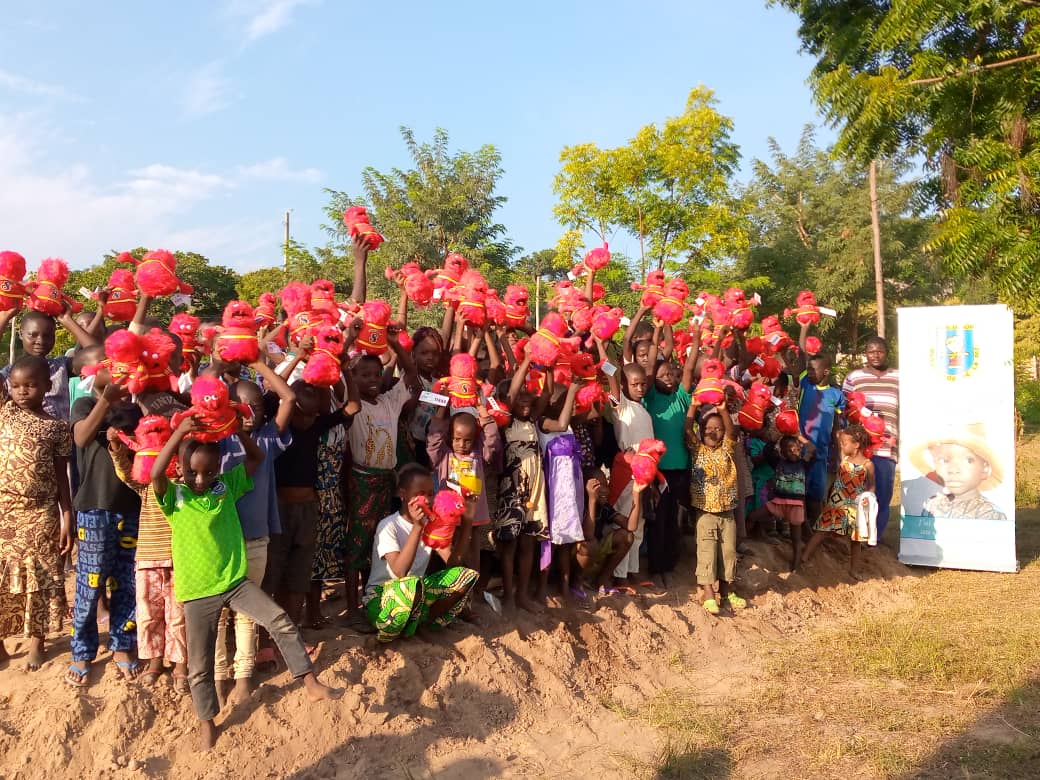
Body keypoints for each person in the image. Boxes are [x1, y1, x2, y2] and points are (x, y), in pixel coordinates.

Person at [151, 414, 342, 750]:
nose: (201, 478)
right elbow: (155, 475)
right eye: (193, 471)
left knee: (280, 620)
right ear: (180, 468)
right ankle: (206, 721)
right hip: (197, 592)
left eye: (209, 471)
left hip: (234, 582)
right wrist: (179, 432)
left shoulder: (226, 486)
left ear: (218, 469)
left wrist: (238, 430)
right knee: (200, 664)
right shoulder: (175, 497)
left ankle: (309, 682)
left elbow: (257, 458)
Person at [216, 359, 296, 705]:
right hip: (217, 541)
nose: (249, 412)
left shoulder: (266, 439)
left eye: (257, 406)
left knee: (248, 613)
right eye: (241, 406)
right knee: (217, 614)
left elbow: (289, 398)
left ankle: (244, 676)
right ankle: (219, 677)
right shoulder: (216, 441)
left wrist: (259, 362)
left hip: (255, 539)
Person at [67, 363, 143, 687]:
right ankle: (83, 649)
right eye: (108, 365)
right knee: (90, 582)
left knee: (127, 581)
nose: (117, 371)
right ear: (89, 372)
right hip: (94, 509)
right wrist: (105, 400)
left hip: (132, 507)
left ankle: (122, 645)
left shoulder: (135, 408)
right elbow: (83, 437)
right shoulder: (84, 403)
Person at [0, 356, 74, 670]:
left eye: (30, 385)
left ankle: (36, 641)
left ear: (48, 386)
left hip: (40, 512)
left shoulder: (57, 428)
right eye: (15, 386)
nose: (22, 391)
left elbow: (62, 477)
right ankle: (1, 645)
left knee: (41, 578)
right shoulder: (4, 413)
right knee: (2, 578)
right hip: (3, 511)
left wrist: (67, 515)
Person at [343, 331, 421, 622]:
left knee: (378, 543)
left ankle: (371, 598)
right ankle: (352, 609)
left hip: (387, 480)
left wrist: (395, 343)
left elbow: (411, 375)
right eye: (364, 374)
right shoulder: (353, 405)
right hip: (362, 480)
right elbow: (343, 375)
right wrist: (351, 338)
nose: (373, 379)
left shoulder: (389, 401)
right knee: (357, 545)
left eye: (376, 373)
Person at [267, 381, 355, 628]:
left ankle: (292, 632)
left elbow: (354, 406)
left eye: (312, 414)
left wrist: (334, 367)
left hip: (308, 511)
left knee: (299, 577)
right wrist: (296, 358)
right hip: (280, 511)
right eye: (301, 413)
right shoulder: (276, 429)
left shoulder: (316, 426)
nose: (307, 419)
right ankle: (269, 637)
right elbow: (272, 394)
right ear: (290, 408)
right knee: (274, 576)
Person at [108, 427, 188, 692]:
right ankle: (155, 662)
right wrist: (118, 449)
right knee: (149, 615)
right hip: (147, 560)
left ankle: (180, 665)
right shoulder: (146, 487)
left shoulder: (187, 488)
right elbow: (123, 472)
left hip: (180, 561)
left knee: (178, 616)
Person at [363, 463, 479, 642]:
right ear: (403, 494)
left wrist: (467, 523)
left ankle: (422, 624)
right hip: (382, 600)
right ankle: (404, 627)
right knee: (410, 584)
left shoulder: (432, 525)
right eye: (420, 494)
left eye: (430, 494)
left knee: (465, 576)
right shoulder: (388, 526)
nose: (427, 500)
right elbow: (399, 572)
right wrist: (418, 527)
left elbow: (453, 564)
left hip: (417, 594)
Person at [596, 335, 655, 592]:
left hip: (647, 471)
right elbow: (611, 375)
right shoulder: (623, 408)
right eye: (634, 384)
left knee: (640, 523)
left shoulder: (643, 409)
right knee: (627, 517)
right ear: (624, 385)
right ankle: (618, 576)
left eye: (643, 383)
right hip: (627, 472)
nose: (640, 388)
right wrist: (602, 348)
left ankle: (631, 572)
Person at [494, 350, 549, 613]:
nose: (525, 400)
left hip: (534, 492)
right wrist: (527, 361)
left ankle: (523, 594)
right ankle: (508, 593)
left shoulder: (533, 422)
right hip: (511, 493)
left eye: (529, 396)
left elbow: (546, 395)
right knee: (510, 545)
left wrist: (550, 365)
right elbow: (512, 394)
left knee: (529, 543)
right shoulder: (506, 423)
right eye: (520, 397)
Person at [427, 404, 502, 579]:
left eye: (467, 440)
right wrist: (441, 410)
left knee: (472, 550)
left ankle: (470, 586)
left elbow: (492, 436)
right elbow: (433, 439)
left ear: (475, 438)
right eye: (457, 439)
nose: (461, 444)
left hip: (472, 514)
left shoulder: (479, 453)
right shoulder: (443, 454)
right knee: (448, 550)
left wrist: (481, 408)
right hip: (449, 515)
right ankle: (449, 585)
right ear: (449, 437)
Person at [642, 354, 696, 588]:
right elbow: (651, 368)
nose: (669, 379)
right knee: (658, 518)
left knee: (674, 518)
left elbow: (690, 368)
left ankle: (670, 565)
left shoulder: (681, 399)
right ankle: (656, 567)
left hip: (680, 470)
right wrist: (659, 328)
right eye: (663, 376)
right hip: (658, 470)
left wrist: (694, 337)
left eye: (672, 375)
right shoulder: (651, 398)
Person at [687, 401, 746, 615]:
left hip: (727, 511)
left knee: (728, 552)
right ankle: (709, 593)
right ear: (701, 431)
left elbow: (732, 430)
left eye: (717, 428)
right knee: (707, 551)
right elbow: (687, 428)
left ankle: (728, 590)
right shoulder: (697, 449)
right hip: (705, 512)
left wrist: (722, 409)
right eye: (708, 428)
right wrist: (693, 406)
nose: (712, 431)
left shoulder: (728, 449)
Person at [842, 336, 899, 539]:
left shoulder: (899, 377)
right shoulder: (854, 377)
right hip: (859, 449)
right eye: (871, 351)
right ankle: (854, 537)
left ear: (887, 352)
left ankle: (875, 540)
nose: (875, 355)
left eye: (880, 351)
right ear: (865, 354)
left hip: (886, 448)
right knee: (856, 494)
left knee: (881, 496)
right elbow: (843, 409)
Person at [0, 307, 100, 421]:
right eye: (33, 335)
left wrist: (68, 320)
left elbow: (97, 356)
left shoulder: (62, 366)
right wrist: (4, 318)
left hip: (60, 436)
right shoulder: (8, 373)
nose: (40, 341)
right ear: (21, 334)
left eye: (47, 336)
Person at [802, 425, 876, 578]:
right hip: (836, 503)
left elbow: (872, 486)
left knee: (855, 540)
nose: (842, 445)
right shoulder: (845, 458)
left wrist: (869, 498)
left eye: (845, 443)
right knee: (822, 531)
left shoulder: (868, 465)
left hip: (854, 507)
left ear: (856, 445)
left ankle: (854, 570)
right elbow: (838, 440)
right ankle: (804, 558)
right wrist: (838, 436)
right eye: (842, 443)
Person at [537, 381, 584, 604]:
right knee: (548, 539)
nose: (570, 403)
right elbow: (563, 422)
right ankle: (543, 587)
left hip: (569, 490)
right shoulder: (544, 423)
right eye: (564, 399)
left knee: (566, 541)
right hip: (552, 489)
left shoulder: (570, 425)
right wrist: (572, 390)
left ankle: (565, 585)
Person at [795, 344, 846, 527]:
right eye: (808, 369)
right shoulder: (805, 384)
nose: (809, 373)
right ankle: (801, 527)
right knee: (798, 490)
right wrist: (804, 326)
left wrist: (838, 453)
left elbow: (836, 427)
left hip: (821, 452)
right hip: (800, 447)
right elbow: (801, 353)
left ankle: (816, 527)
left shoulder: (836, 395)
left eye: (813, 370)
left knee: (816, 492)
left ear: (825, 371)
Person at [911, 423, 1006, 520]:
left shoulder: (990, 514)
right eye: (944, 460)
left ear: (985, 469)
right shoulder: (932, 504)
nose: (953, 470)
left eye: (969, 460)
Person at [575, 469, 645, 596]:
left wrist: (636, 494)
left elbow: (631, 526)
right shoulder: (580, 505)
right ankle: (576, 583)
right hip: (580, 555)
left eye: (606, 485)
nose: (604, 490)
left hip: (595, 552)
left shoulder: (604, 507)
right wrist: (592, 500)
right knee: (590, 543)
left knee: (627, 536)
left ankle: (602, 580)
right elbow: (588, 535)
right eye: (598, 486)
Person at [747, 435, 811, 571]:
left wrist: (798, 435)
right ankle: (742, 543)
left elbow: (812, 449)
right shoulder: (778, 463)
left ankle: (796, 564)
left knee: (796, 537)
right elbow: (767, 451)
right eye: (788, 450)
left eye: (795, 449)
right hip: (778, 502)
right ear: (782, 452)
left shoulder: (804, 464)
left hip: (796, 506)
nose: (792, 452)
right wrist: (776, 437)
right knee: (752, 516)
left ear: (800, 449)